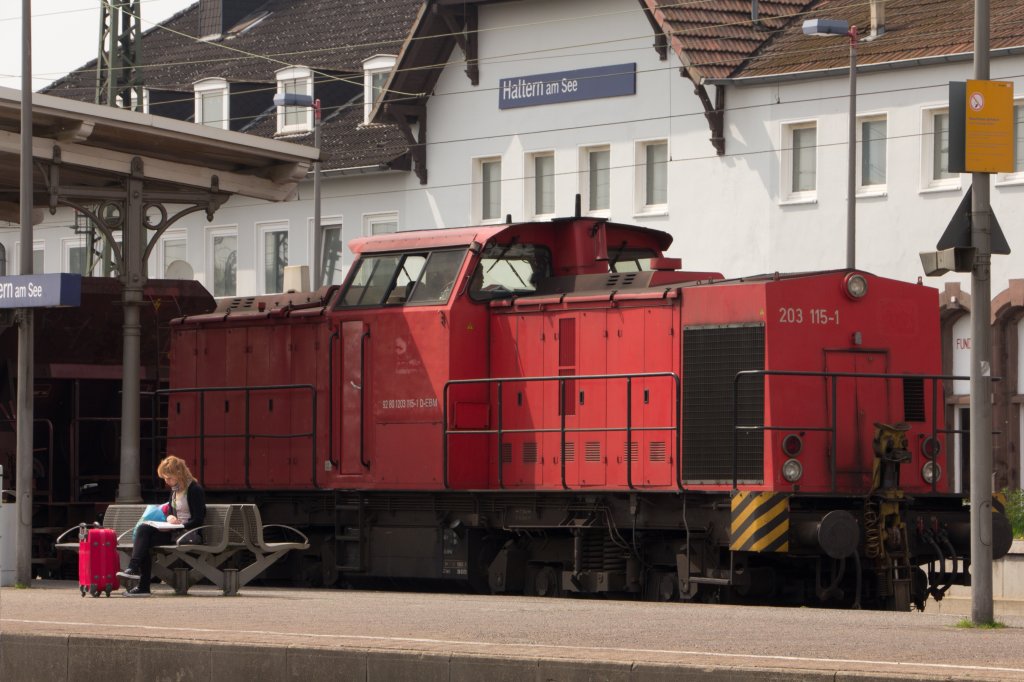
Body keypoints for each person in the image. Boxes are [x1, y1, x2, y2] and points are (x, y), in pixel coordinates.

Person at [117, 455, 206, 597]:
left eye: (169, 478)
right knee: (143, 530)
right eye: (165, 478)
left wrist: (182, 525)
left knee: (143, 543)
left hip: (189, 533)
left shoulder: (195, 490)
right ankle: (136, 575)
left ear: (179, 474)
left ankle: (140, 581)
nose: (166, 481)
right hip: (174, 532)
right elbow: (171, 511)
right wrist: (170, 517)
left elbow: (198, 519)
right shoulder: (175, 490)